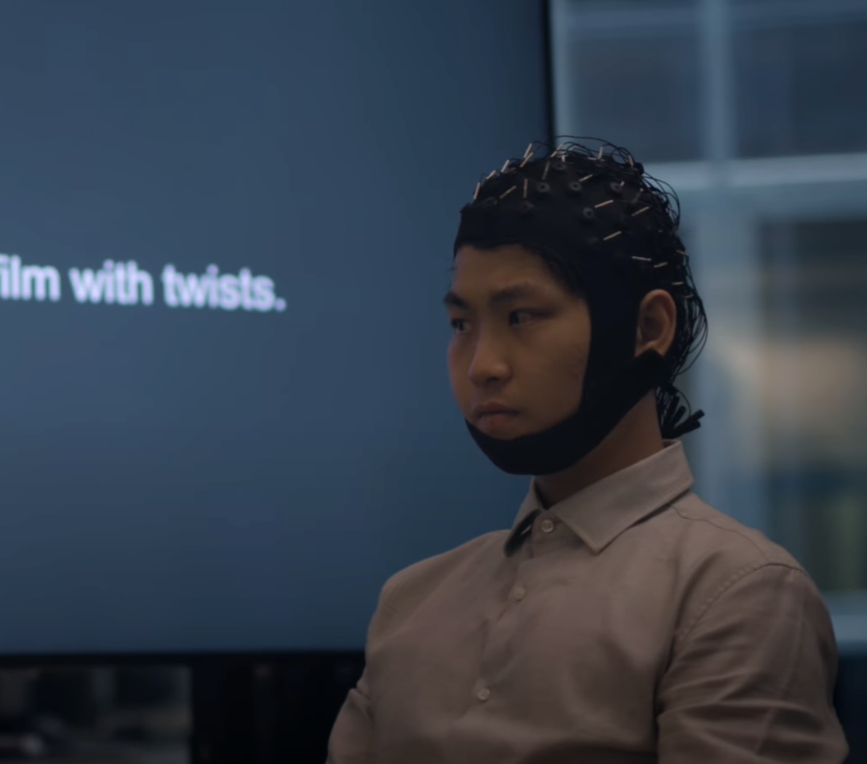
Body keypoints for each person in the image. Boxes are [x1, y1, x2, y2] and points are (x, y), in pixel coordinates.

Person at [326, 139, 849, 763]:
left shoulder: (739, 591)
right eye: (461, 325)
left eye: (521, 316)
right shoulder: (410, 601)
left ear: (648, 328)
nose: (482, 367)